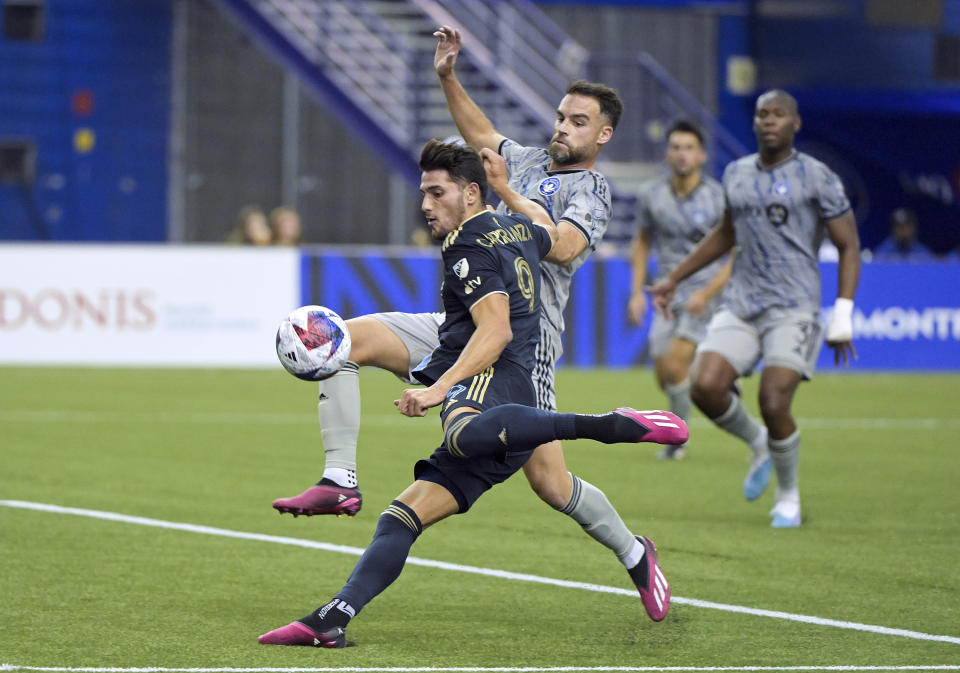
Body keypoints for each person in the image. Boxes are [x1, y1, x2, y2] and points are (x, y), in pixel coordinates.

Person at [271, 25, 661, 613]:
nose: (562, 126)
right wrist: (448, 76)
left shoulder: (594, 192)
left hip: (521, 347)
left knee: (553, 486)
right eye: (561, 115)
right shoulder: (527, 160)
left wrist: (509, 194)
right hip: (463, 324)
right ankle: (339, 480)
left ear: (603, 134)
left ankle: (634, 553)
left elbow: (560, 246)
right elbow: (479, 131)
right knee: (344, 340)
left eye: (578, 121)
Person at [648, 89, 861, 528]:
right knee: (704, 386)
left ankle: (788, 496)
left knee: (773, 396)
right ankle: (760, 443)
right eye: (762, 114)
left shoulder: (817, 176)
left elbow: (848, 244)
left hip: (794, 307)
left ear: (795, 124)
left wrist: (843, 313)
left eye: (778, 114)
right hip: (743, 304)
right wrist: (675, 277)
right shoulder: (738, 173)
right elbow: (727, 234)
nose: (768, 121)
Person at [627, 119, 732, 460]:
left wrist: (709, 291)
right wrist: (635, 293)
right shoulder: (652, 195)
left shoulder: (719, 197)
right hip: (666, 295)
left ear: (701, 155)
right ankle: (714, 375)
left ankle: (677, 441)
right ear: (668, 154)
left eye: (689, 148)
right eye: (676, 147)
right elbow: (642, 242)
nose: (682, 154)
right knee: (665, 376)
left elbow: (735, 251)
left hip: (706, 295)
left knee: (674, 367)